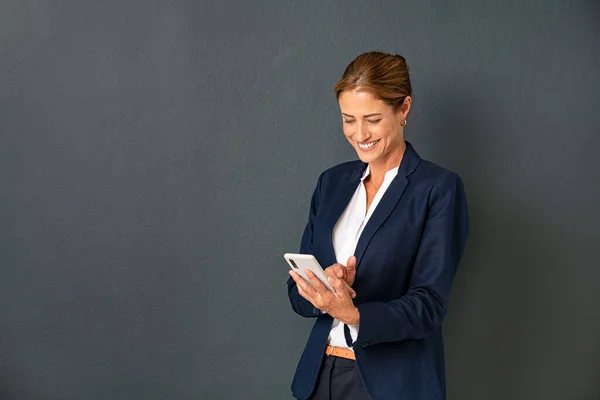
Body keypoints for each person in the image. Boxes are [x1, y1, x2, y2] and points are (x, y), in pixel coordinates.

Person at [286, 51, 470, 400]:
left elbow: (429, 305)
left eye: (372, 119)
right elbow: (296, 293)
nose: (360, 134)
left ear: (403, 110)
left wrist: (355, 314)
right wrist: (326, 286)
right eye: (348, 120)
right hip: (319, 375)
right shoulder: (331, 183)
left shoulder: (438, 188)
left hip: (392, 385)